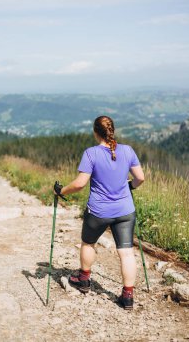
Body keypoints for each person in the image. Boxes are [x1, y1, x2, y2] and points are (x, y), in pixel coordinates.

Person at [54, 115, 144, 310]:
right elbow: (140, 178)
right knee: (126, 253)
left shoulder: (91, 153)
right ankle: (128, 296)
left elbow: (79, 184)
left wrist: (60, 191)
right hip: (125, 210)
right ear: (112, 130)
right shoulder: (128, 151)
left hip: (98, 211)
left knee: (88, 243)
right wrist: (130, 188)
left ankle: (83, 279)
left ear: (96, 132)